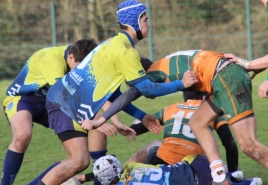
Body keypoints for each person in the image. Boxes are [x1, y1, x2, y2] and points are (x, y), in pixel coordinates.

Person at [30, 1, 198, 184]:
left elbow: (116, 96)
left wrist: (142, 116)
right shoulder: (125, 51)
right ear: (135, 21)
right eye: (145, 19)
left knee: (76, 162)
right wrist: (181, 83)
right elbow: (148, 90)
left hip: (65, 99)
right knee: (79, 161)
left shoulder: (113, 43)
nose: (149, 24)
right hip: (65, 101)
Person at [94, 50, 268, 185]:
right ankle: (221, 176)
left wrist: (102, 120)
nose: (147, 96)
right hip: (221, 76)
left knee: (248, 145)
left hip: (224, 77)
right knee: (197, 122)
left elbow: (125, 98)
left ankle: (224, 175)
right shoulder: (162, 66)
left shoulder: (150, 77)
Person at [1, 38, 97, 185]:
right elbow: (65, 93)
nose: (80, 71)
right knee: (22, 137)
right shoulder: (51, 58)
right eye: (78, 67)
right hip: (24, 99)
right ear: (70, 57)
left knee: (76, 160)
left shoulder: (81, 60)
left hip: (53, 102)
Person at [126, 90, 239, 174]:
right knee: (224, 167)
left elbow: (138, 128)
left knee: (154, 144)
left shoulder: (172, 108)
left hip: (160, 163)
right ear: (206, 96)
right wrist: (233, 174)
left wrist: (129, 127)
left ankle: (122, 172)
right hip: (191, 170)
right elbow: (230, 146)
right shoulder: (212, 111)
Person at [74, 155, 263, 185]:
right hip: (197, 162)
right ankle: (232, 175)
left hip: (199, 181)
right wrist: (83, 177)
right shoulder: (130, 166)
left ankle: (248, 183)